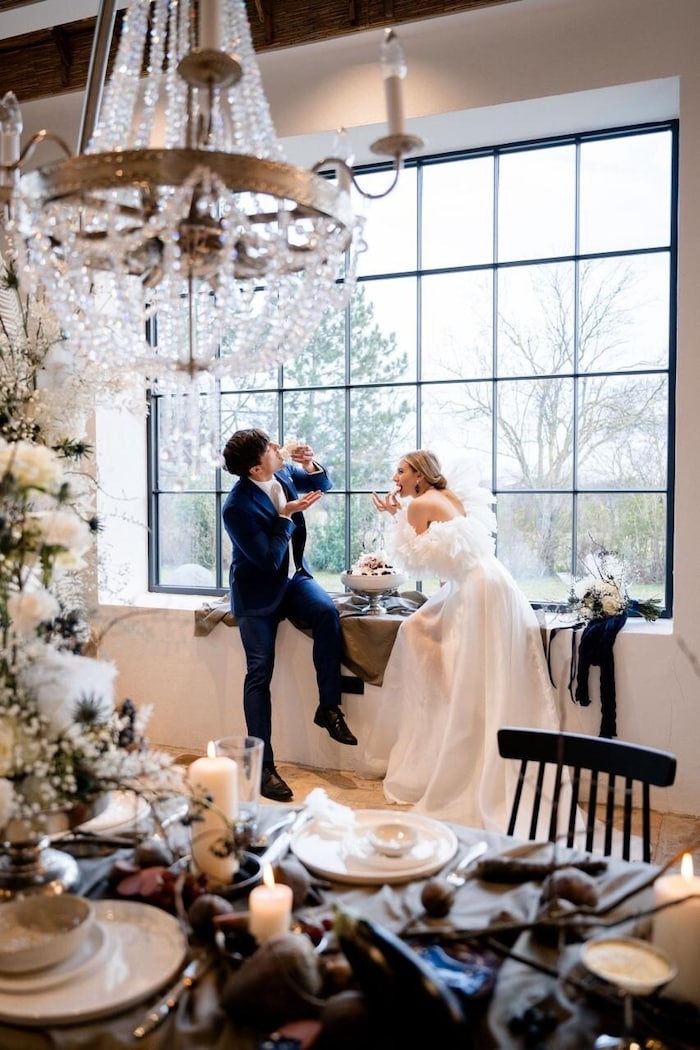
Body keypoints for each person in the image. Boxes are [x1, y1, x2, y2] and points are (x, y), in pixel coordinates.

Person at [364, 449, 564, 831]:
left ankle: (454, 721)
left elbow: (413, 560)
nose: (396, 477)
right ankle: (451, 713)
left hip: (476, 589)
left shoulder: (418, 504)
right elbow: (447, 553)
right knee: (424, 631)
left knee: (440, 650)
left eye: (401, 471)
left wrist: (394, 514)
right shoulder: (450, 494)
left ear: (419, 475)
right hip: (493, 581)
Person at [222, 428, 357, 803]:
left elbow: (324, 483)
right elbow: (265, 560)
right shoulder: (236, 507)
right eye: (269, 448)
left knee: (327, 614)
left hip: (295, 579)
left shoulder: (282, 473)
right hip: (257, 594)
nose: (276, 448)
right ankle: (264, 765)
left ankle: (328, 708)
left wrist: (310, 464)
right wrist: (285, 516)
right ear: (254, 468)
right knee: (259, 673)